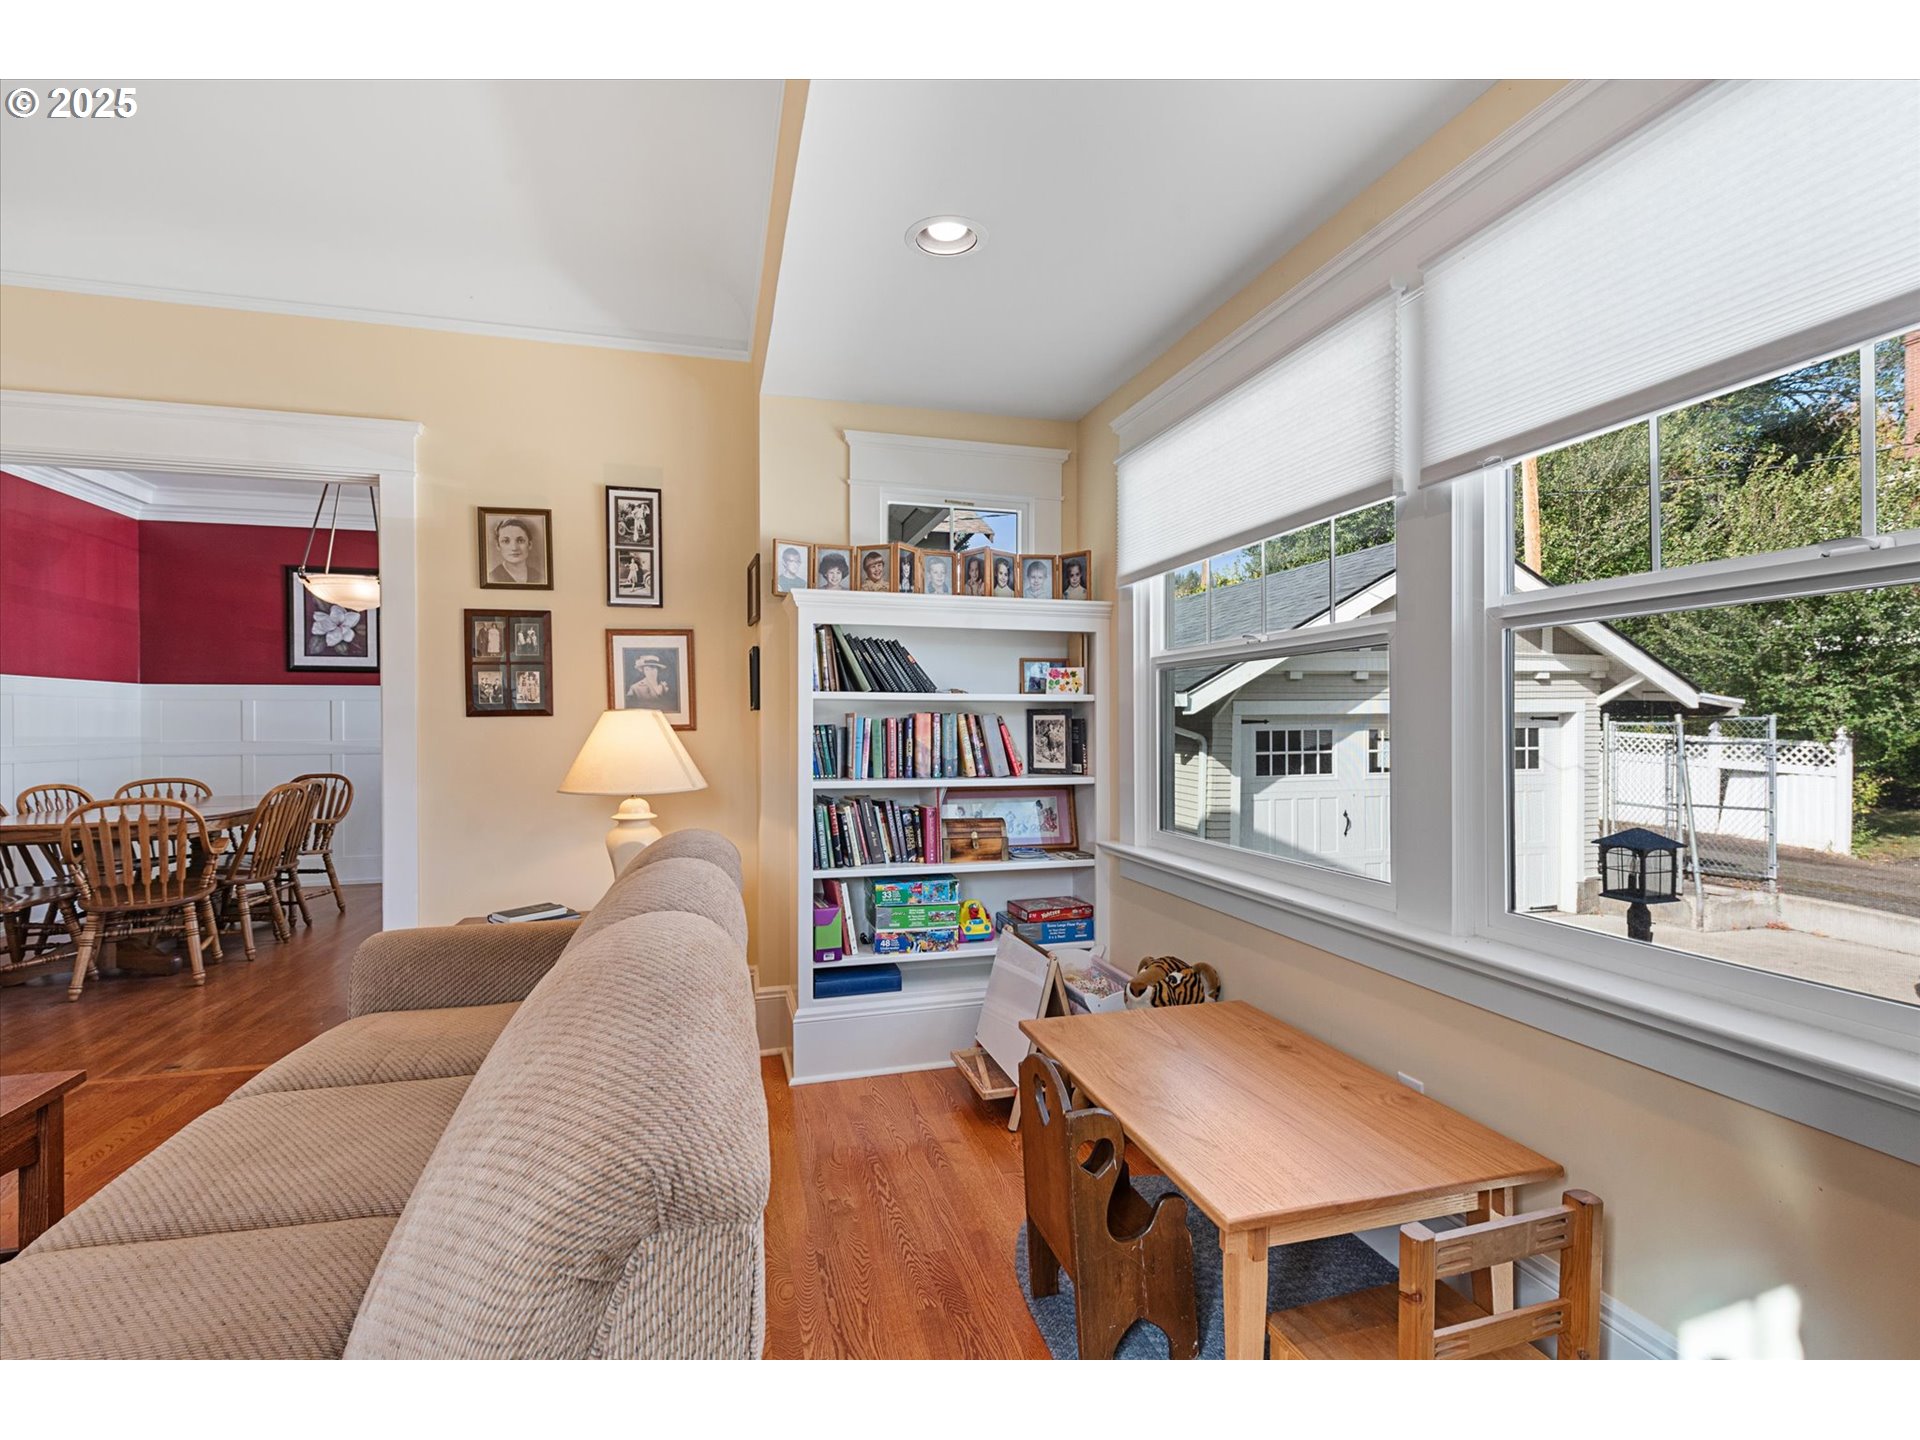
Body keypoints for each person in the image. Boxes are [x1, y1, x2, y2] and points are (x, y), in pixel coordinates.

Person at [489, 516, 543, 585]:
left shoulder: (539, 577)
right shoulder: (492, 577)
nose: (514, 548)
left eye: (520, 540)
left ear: (529, 544)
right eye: (506, 541)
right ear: (498, 546)